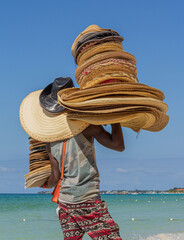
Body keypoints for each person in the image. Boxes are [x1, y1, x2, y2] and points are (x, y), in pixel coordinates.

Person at [43, 123, 124, 240]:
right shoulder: (88, 127)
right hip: (87, 199)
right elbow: (118, 145)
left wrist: (45, 184)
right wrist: (115, 120)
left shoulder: (50, 139)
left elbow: (55, 178)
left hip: (65, 203)